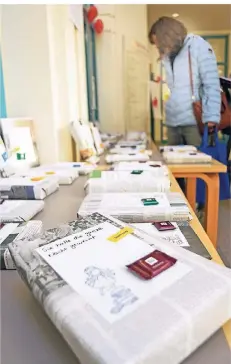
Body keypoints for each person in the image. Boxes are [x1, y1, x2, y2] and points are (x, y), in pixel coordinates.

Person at [148, 16, 221, 195]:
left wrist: (211, 120)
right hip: (174, 120)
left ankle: (199, 209)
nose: (157, 48)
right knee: (175, 172)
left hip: (194, 121)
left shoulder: (198, 46)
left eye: (158, 43)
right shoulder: (168, 56)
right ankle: (179, 207)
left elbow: (212, 84)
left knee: (197, 172)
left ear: (167, 36)